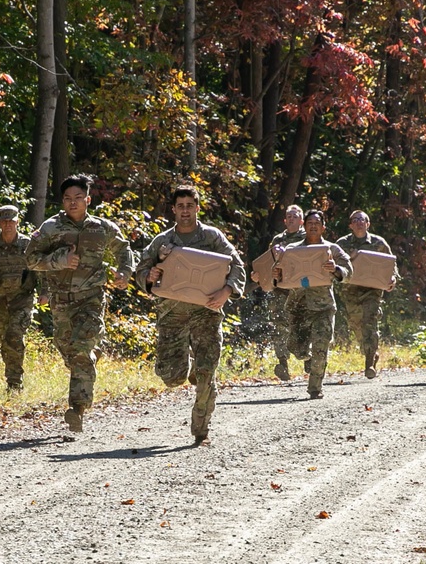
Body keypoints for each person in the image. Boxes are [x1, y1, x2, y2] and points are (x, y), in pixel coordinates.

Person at [136, 185, 245, 446]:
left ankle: (200, 426)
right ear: (174, 210)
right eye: (180, 206)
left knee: (207, 370)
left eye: (190, 205)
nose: (185, 210)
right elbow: (142, 269)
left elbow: (237, 265)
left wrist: (227, 291)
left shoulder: (212, 237)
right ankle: (186, 360)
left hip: (206, 312)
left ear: (197, 207)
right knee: (172, 376)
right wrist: (148, 278)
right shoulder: (162, 241)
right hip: (172, 316)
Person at [25, 174, 135, 433]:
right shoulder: (51, 228)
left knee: (80, 352)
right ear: (62, 201)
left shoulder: (102, 228)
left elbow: (124, 249)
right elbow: (30, 259)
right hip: (61, 301)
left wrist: (125, 273)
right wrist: (59, 260)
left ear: (88, 200)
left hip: (91, 299)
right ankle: (94, 353)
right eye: (67, 199)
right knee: (68, 351)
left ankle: (77, 408)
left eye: (77, 198)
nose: (72, 203)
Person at [272, 210, 353, 400]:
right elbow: (278, 272)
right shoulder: (292, 249)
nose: (313, 225)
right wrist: (277, 276)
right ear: (304, 226)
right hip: (298, 307)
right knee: (296, 347)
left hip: (323, 306)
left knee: (321, 345)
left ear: (323, 227)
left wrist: (336, 269)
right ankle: (304, 355)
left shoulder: (332, 249)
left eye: (317, 222)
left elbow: (349, 270)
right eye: (309, 223)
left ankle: (315, 387)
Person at [0, 205, 45, 391]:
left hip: (23, 298)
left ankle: (15, 383)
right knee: (5, 339)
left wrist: (45, 292)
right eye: (4, 221)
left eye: (11, 221)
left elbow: (42, 271)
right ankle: (12, 377)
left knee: (14, 335)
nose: (8, 225)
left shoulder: (28, 245)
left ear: (17, 221)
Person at [336, 210, 396, 379]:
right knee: (356, 325)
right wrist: (350, 258)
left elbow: (391, 263)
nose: (359, 222)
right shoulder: (342, 244)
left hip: (372, 290)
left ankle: (369, 363)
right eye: (355, 220)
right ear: (350, 225)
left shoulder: (379, 242)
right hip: (350, 291)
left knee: (370, 322)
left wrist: (392, 278)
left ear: (368, 224)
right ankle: (370, 351)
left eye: (362, 220)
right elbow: (334, 264)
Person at [251, 205, 306, 381]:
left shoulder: (308, 238)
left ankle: (308, 356)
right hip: (280, 289)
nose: (291, 219)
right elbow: (270, 263)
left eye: (294, 216)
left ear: (301, 221)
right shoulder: (277, 240)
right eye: (288, 216)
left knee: (303, 325)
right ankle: (283, 363)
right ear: (285, 220)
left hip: (302, 289)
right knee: (279, 325)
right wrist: (259, 276)